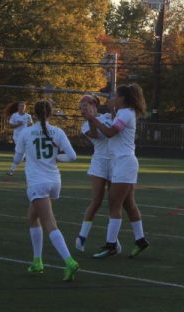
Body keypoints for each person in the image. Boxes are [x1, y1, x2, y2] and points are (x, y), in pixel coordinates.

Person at [12, 100, 80, 281]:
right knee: (32, 217)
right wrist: (56, 157)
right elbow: (72, 156)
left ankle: (69, 261)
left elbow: (18, 157)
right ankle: (37, 261)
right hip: (54, 181)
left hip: (37, 183)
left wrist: (15, 164)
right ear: (50, 114)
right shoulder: (57, 131)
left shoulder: (26, 132)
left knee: (49, 222)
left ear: (33, 114)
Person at [81, 83, 149, 259]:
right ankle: (140, 240)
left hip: (124, 163)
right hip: (123, 162)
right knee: (128, 204)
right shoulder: (123, 113)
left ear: (123, 99)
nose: (112, 99)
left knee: (114, 204)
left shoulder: (126, 113)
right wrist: (109, 113)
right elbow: (113, 130)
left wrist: (92, 118)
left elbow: (110, 132)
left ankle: (111, 245)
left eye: (115, 96)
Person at [75, 94, 113, 252]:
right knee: (96, 201)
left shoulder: (108, 116)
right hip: (99, 162)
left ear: (94, 105)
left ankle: (112, 240)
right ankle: (82, 236)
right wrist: (91, 119)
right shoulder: (85, 125)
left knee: (114, 203)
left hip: (116, 162)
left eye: (86, 105)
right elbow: (96, 135)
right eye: (81, 107)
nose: (83, 109)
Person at [6, 101, 31, 176]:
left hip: (26, 137)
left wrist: (30, 124)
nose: (22, 107)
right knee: (21, 153)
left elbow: (31, 124)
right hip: (17, 137)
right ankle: (12, 169)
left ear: (25, 107)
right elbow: (11, 126)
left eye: (23, 106)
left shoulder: (28, 116)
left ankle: (12, 170)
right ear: (18, 107)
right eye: (20, 106)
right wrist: (18, 124)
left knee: (20, 154)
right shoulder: (14, 115)